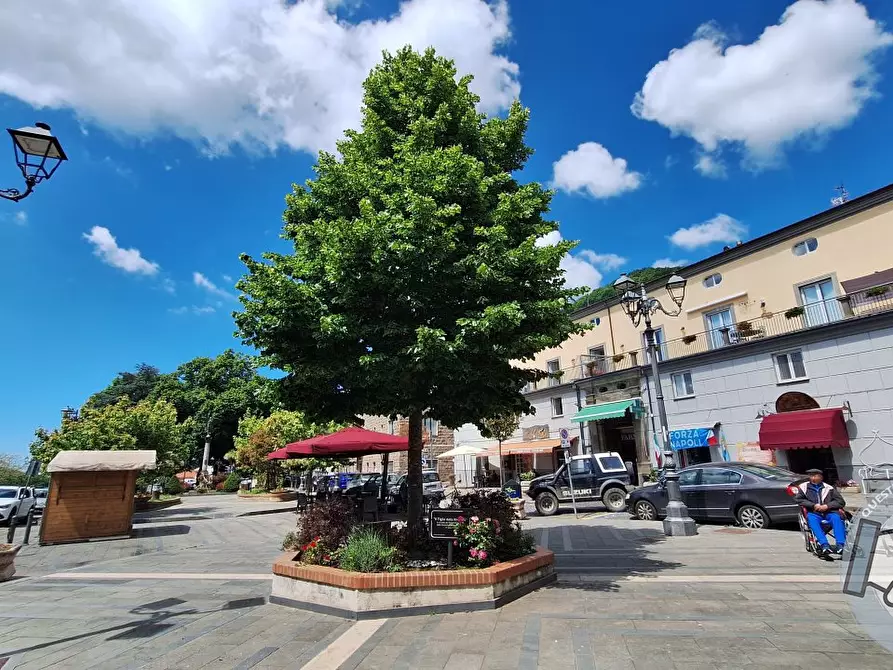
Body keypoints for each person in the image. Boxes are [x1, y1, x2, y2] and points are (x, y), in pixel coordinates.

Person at [793, 468, 847, 559]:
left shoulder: (829, 488)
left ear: (821, 477)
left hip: (829, 512)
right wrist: (813, 505)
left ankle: (840, 545)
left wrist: (827, 506)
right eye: (811, 476)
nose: (813, 478)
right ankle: (824, 544)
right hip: (814, 512)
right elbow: (799, 500)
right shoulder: (804, 487)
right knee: (812, 520)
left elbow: (841, 502)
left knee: (837, 518)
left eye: (815, 476)